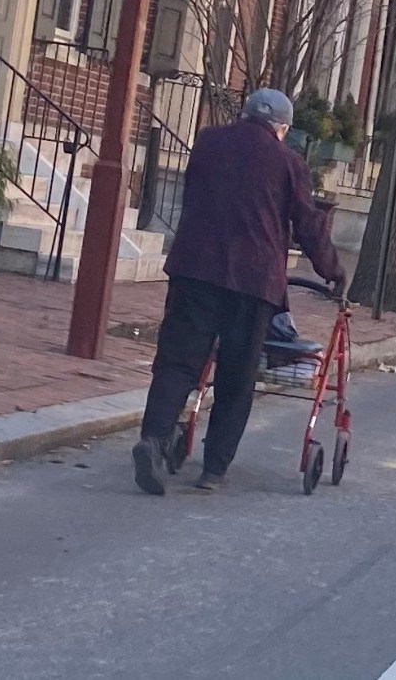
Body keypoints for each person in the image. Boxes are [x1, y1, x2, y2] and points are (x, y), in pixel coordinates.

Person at [132, 88, 346, 496]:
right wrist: (332, 271)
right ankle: (214, 468)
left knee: (177, 362)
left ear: (245, 114)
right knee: (237, 374)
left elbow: (194, 196)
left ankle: (154, 439)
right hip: (253, 281)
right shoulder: (289, 163)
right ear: (281, 128)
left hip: (194, 269)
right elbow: (308, 225)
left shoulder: (208, 142)